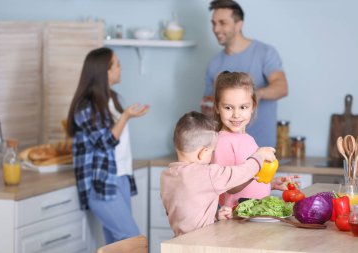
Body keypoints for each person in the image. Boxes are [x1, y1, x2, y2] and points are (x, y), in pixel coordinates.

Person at [66, 47, 150, 244]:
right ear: (105, 71)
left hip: (120, 177)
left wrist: (126, 115)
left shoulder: (113, 98)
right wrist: (126, 116)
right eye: (117, 64)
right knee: (132, 241)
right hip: (101, 182)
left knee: (117, 244)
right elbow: (105, 142)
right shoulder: (86, 106)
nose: (121, 68)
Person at [160, 111, 276, 237]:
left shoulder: (166, 176)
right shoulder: (206, 174)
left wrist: (214, 216)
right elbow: (238, 173)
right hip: (201, 245)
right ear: (202, 152)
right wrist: (259, 156)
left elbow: (185, 212)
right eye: (212, 151)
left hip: (178, 242)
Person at [202, 0, 288, 147]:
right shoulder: (214, 64)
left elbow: (282, 87)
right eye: (213, 23)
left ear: (239, 24)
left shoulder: (265, 53)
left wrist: (257, 94)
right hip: (225, 151)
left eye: (222, 23)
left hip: (261, 150)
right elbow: (208, 107)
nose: (216, 29)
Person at [212, 71, 298, 208]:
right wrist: (255, 166)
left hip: (254, 215)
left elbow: (251, 182)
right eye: (228, 107)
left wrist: (272, 183)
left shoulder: (248, 139)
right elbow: (230, 186)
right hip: (235, 220)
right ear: (217, 107)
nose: (236, 114)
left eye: (243, 107)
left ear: (253, 106)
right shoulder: (222, 142)